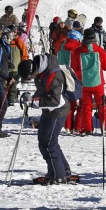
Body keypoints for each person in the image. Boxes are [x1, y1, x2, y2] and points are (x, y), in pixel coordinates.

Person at [27, 53, 77, 185]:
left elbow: (55, 100)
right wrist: (31, 99)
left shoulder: (53, 75)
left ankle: (58, 175)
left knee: (48, 143)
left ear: (35, 70)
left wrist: (35, 103)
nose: (31, 78)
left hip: (58, 110)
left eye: (30, 75)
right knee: (46, 141)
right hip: (50, 110)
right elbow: (43, 91)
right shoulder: (42, 71)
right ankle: (62, 171)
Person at [73, 29, 106, 136]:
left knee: (86, 106)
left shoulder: (77, 52)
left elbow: (74, 68)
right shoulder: (100, 50)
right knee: (102, 105)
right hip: (98, 82)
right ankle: (105, 127)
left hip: (84, 83)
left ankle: (87, 128)